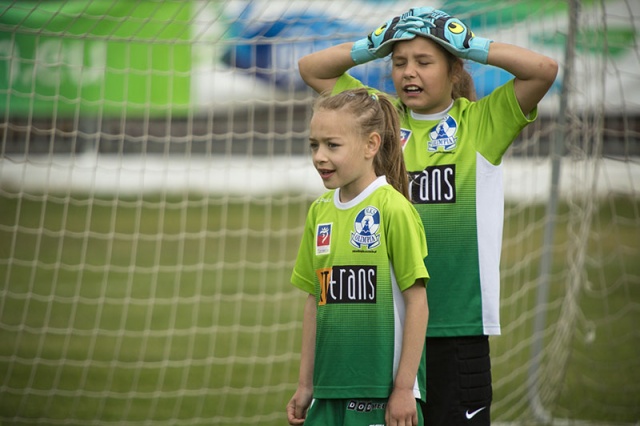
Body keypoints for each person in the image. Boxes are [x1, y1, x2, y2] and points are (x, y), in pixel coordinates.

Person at [297, 7, 559, 426]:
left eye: (423, 61)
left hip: (457, 327)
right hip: (388, 329)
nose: (408, 72)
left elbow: (543, 70)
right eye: (399, 62)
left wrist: (473, 46)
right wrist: (372, 44)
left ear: (454, 69)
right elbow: (312, 68)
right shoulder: (381, 122)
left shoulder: (480, 124)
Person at [286, 88, 430, 426]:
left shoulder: (393, 208)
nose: (319, 156)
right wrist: (306, 384)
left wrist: (404, 388)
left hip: (381, 394)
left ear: (371, 145)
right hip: (327, 390)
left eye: (332, 145)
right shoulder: (319, 212)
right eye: (314, 145)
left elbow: (418, 303)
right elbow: (313, 300)